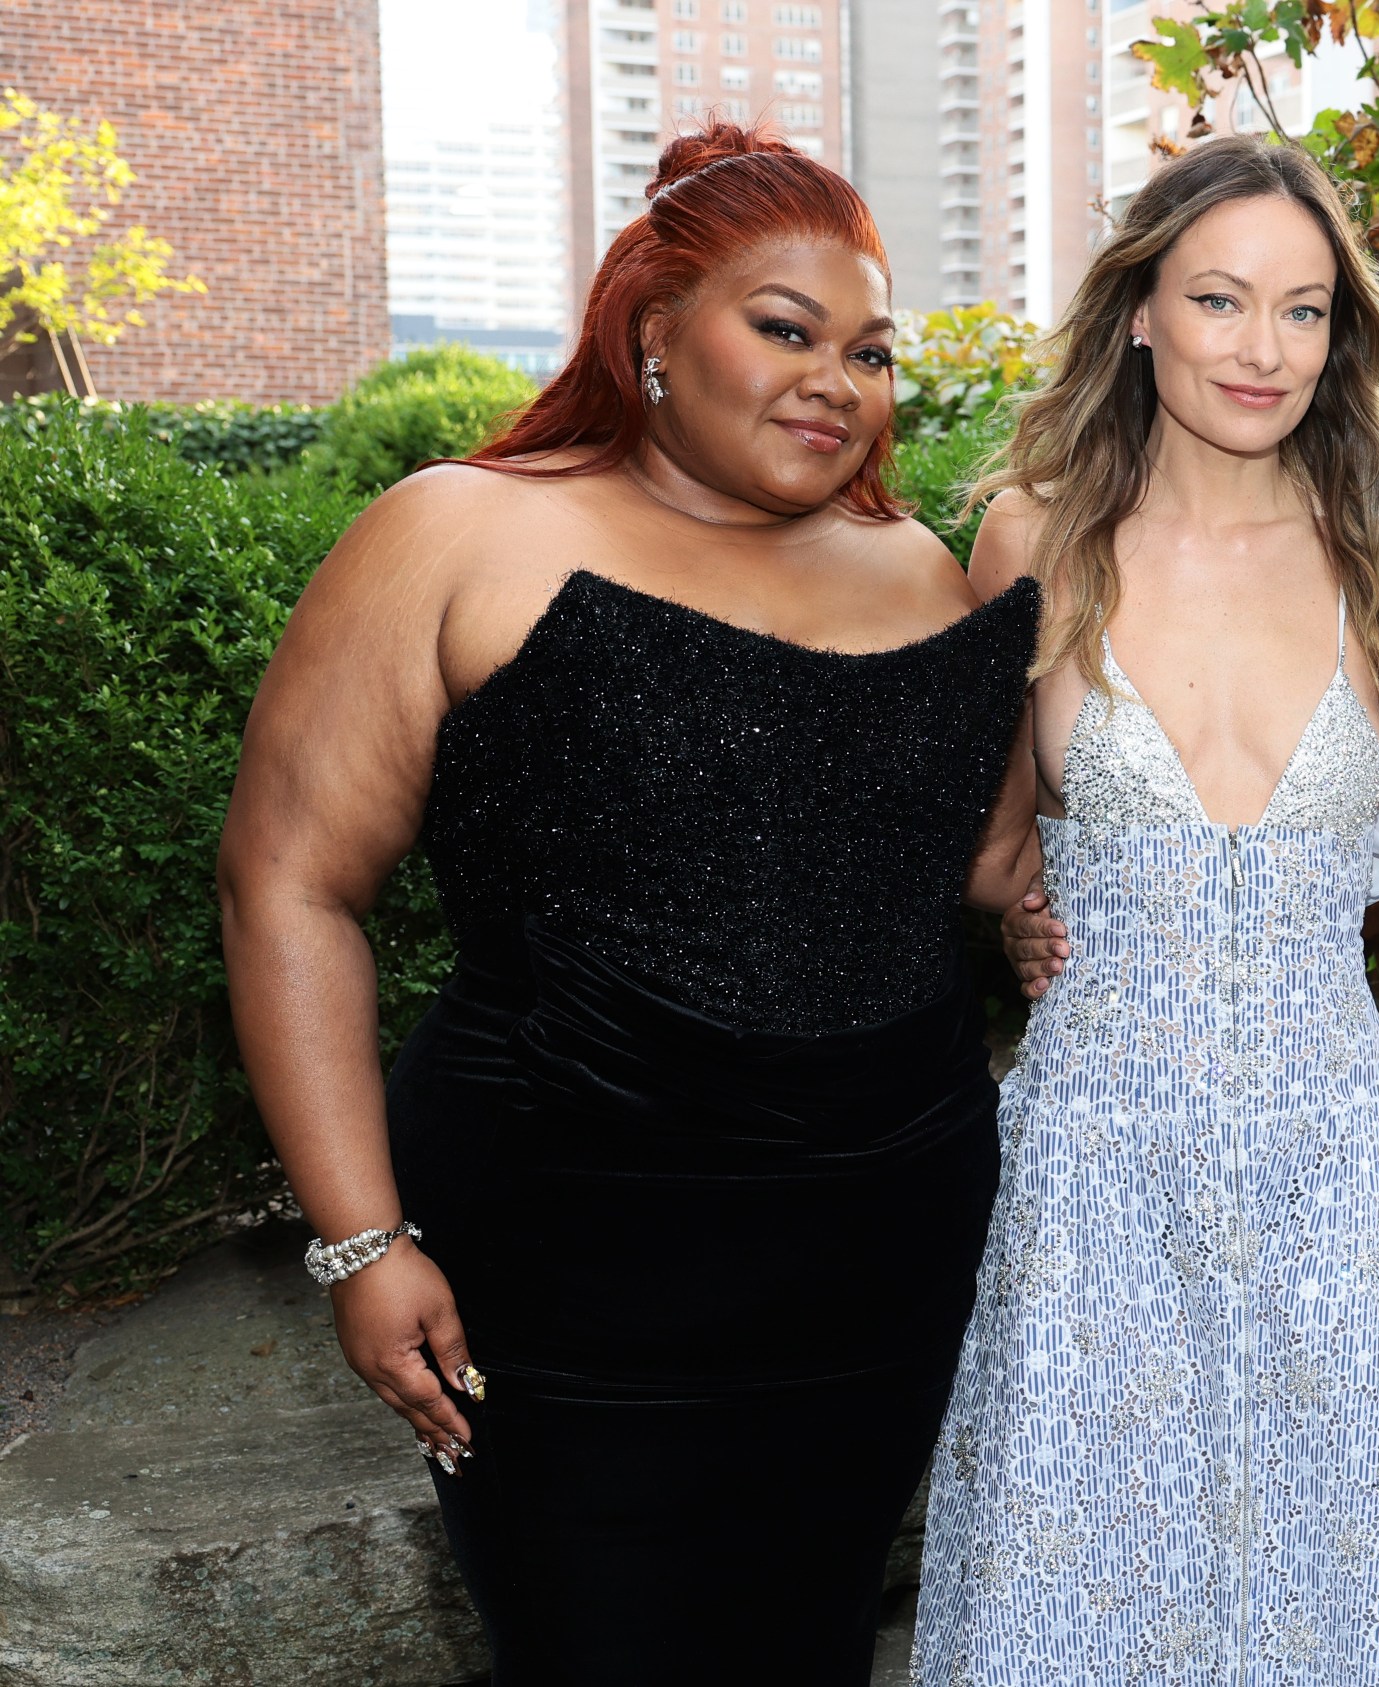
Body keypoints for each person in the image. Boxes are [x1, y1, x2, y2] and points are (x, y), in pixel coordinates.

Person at [216, 126, 1035, 1682]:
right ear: (654, 334)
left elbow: (954, 864)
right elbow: (287, 885)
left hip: (885, 1256)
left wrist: (1044, 904)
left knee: (812, 1644)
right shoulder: (459, 533)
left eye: (868, 351)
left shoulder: (919, 567)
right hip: (568, 1277)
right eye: (783, 330)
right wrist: (360, 1240)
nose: (835, 381)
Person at [910, 135, 1379, 1685]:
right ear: (1144, 312)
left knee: (1360, 1604)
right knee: (1082, 1604)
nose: (1264, 347)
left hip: (1333, 1166)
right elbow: (980, 844)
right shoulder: (1032, 541)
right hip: (1097, 1169)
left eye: (1304, 312)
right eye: (1223, 299)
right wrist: (1020, 909)